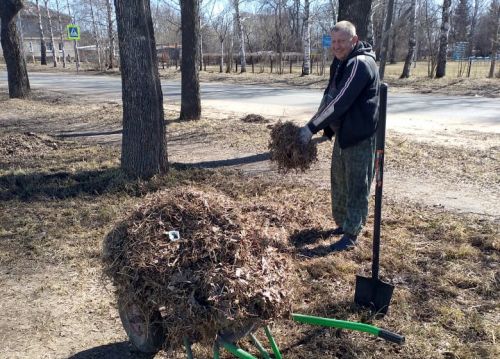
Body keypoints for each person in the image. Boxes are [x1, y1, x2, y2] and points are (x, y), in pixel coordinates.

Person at [298, 20, 380, 251]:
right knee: (339, 182)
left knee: (356, 185)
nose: (337, 46)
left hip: (359, 136)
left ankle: (352, 234)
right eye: (334, 41)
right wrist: (322, 127)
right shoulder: (341, 62)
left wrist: (310, 128)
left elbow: (340, 102)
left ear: (354, 40)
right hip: (344, 133)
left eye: (342, 41)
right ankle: (344, 224)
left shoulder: (360, 64)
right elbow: (329, 96)